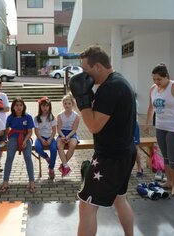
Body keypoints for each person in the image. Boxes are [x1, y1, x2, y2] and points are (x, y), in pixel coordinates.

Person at [70, 46, 136, 236]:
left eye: (86, 70)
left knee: (86, 205)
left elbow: (93, 126)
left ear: (97, 66)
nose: (84, 75)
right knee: (119, 199)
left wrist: (81, 101)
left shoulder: (110, 88)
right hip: (124, 152)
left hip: (110, 158)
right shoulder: (119, 80)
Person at [144, 63, 174, 197]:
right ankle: (169, 181)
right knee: (165, 157)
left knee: (173, 158)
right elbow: (150, 107)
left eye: (159, 79)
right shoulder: (153, 89)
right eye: (154, 79)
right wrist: (147, 123)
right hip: (161, 126)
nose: (156, 82)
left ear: (167, 77)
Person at [0, 97, 35, 194]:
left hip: (26, 138)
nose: (19, 107)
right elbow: (7, 130)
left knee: (28, 157)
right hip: (13, 138)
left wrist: (25, 141)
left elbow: (30, 132)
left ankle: (31, 181)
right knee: (9, 157)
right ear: (13, 107)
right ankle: (5, 182)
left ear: (24, 107)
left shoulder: (28, 117)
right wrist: (5, 140)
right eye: (16, 105)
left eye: (20, 105)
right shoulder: (10, 117)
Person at [34, 96, 57, 179]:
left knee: (54, 149)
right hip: (40, 137)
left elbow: (54, 131)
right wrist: (42, 139)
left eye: (47, 106)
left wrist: (50, 139)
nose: (45, 108)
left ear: (49, 107)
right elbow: (36, 131)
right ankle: (46, 157)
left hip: (50, 137)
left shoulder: (52, 117)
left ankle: (51, 168)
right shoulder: (37, 118)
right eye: (43, 106)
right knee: (37, 147)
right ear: (40, 107)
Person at [56, 94, 80, 177]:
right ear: (63, 104)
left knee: (73, 145)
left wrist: (68, 136)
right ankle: (66, 166)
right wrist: (63, 136)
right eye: (65, 103)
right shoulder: (59, 115)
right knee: (59, 146)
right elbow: (58, 129)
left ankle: (63, 165)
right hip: (62, 133)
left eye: (69, 103)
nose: (67, 105)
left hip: (71, 133)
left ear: (72, 104)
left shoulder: (76, 116)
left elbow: (74, 129)